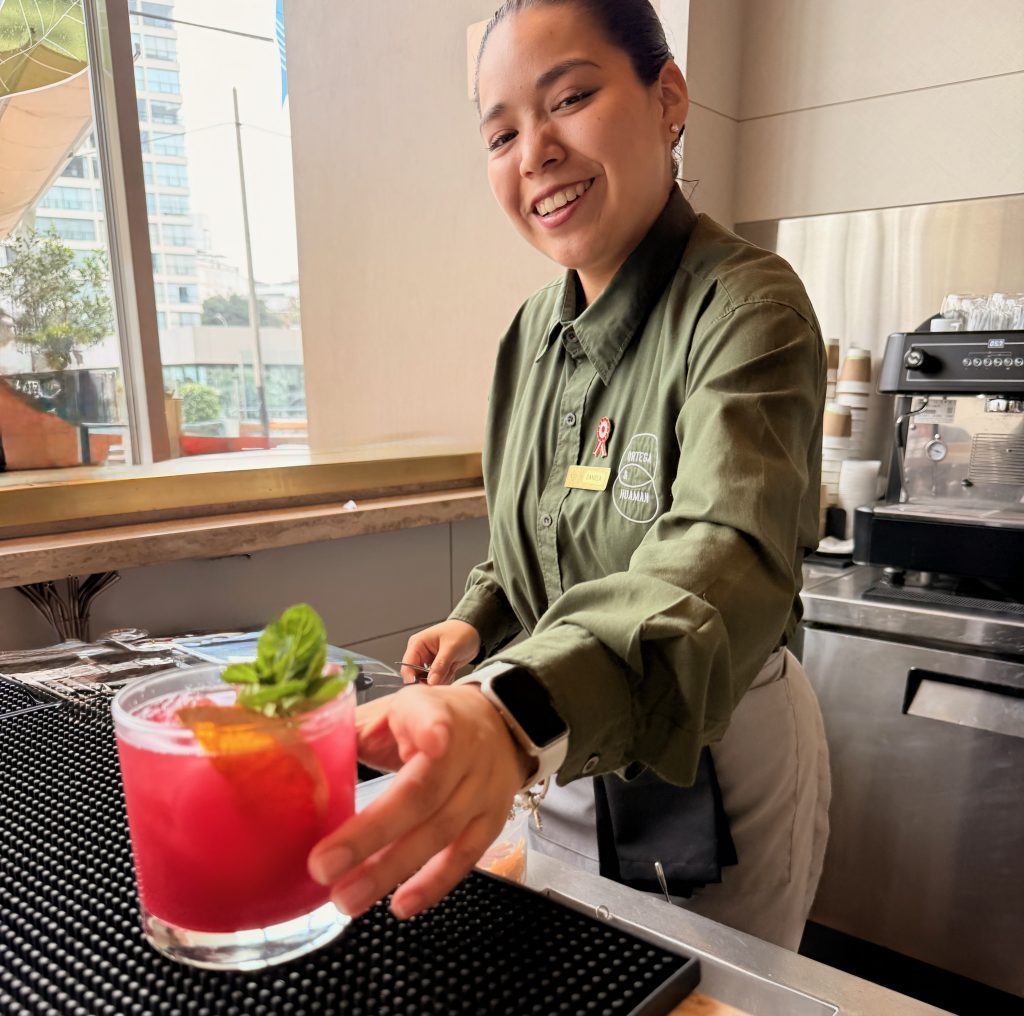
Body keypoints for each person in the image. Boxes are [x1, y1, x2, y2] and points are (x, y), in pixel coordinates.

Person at [309, 0, 830, 951]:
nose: (536, 153)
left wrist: (508, 712)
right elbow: (535, 536)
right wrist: (480, 616)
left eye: (571, 99)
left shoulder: (749, 308)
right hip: (553, 747)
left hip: (706, 755)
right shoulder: (530, 336)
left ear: (667, 98)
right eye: (501, 134)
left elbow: (719, 557)